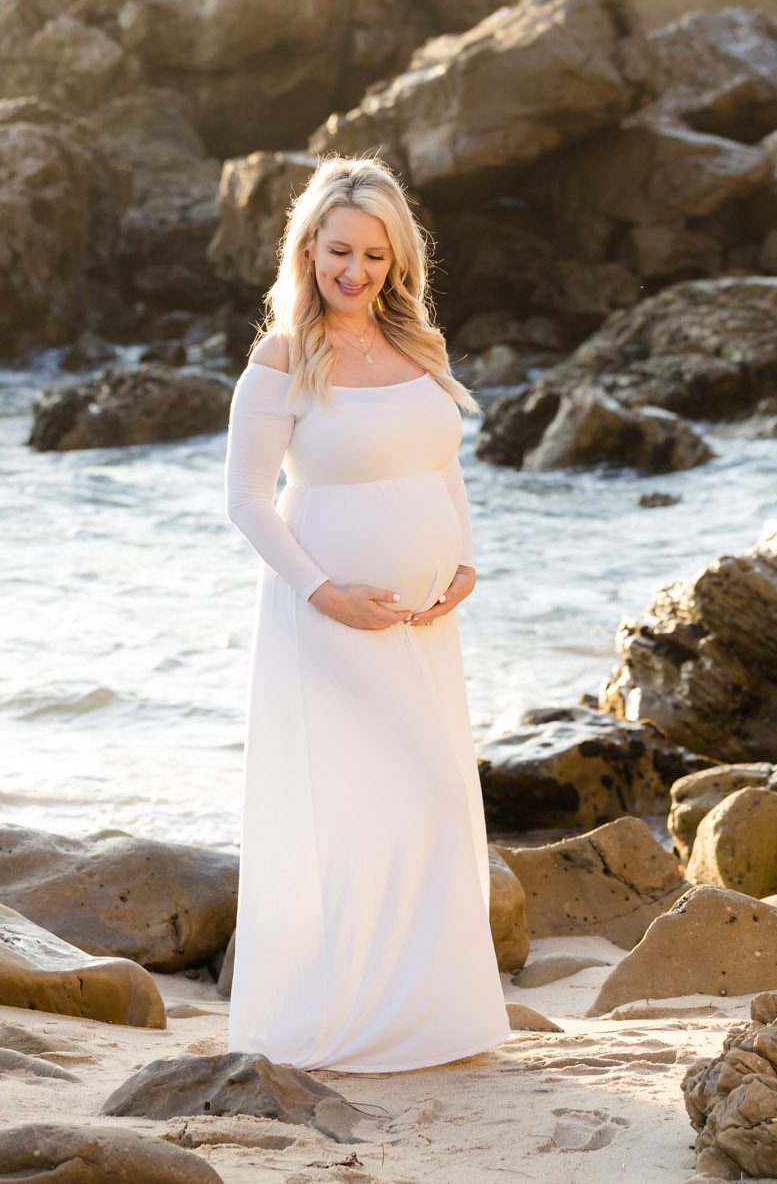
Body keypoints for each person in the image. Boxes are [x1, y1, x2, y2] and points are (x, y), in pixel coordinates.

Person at [221, 153, 510, 1073]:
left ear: (397, 262)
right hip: (331, 621)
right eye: (339, 251)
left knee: (432, 800)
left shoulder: (418, 345)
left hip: (426, 623)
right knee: (359, 805)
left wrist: (462, 556)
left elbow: (441, 464)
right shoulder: (281, 360)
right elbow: (248, 500)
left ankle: (432, 1019)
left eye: (375, 258)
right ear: (308, 249)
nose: (356, 273)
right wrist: (326, 592)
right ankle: (344, 1017)